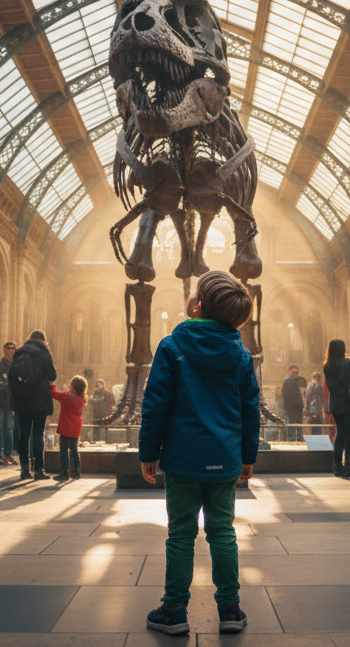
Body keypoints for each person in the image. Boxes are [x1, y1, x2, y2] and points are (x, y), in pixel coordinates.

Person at [140, 271, 258, 635]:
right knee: (222, 531)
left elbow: (155, 404)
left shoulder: (171, 347)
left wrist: (148, 452)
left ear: (198, 305)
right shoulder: (240, 354)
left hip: (182, 459)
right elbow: (250, 408)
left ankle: (173, 612)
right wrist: (247, 457)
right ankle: (230, 610)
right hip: (224, 459)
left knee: (180, 534)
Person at [10, 330, 57, 480]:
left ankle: (24, 469)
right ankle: (38, 469)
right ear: (43, 340)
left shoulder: (19, 352)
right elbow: (53, 376)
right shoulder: (44, 353)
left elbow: (12, 375)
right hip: (39, 399)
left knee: (24, 434)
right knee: (37, 434)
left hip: (22, 399)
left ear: (29, 338)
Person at [323, 340, 350, 478]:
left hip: (336, 403)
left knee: (340, 433)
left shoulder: (327, 366)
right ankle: (348, 467)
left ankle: (337, 467)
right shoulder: (348, 364)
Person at [51, 375, 87, 482]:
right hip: (76, 426)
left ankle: (64, 473)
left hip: (66, 426)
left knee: (63, 450)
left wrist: (52, 385)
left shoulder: (66, 396)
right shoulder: (83, 399)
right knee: (74, 449)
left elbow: (53, 393)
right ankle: (76, 472)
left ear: (73, 386)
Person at [280, 364, 304, 441]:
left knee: (298, 427)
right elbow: (285, 395)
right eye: (293, 372)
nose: (295, 374)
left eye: (296, 372)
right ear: (289, 372)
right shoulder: (288, 381)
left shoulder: (296, 381)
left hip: (297, 408)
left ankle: (297, 440)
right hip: (292, 409)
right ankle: (292, 441)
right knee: (292, 427)